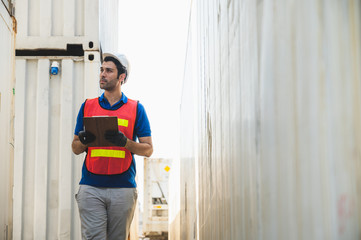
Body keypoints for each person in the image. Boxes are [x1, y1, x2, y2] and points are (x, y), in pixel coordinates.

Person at [71, 52, 153, 240]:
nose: (102, 74)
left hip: (123, 188)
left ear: (121, 77)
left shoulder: (136, 108)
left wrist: (125, 142)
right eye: (101, 70)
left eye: (109, 71)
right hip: (91, 187)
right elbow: (75, 148)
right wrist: (83, 141)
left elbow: (148, 149)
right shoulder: (87, 106)